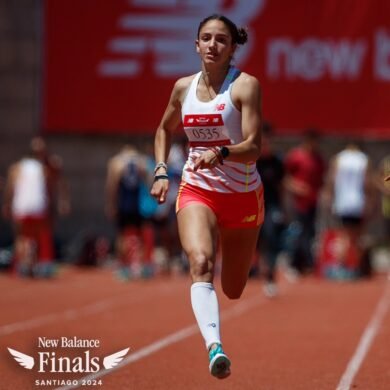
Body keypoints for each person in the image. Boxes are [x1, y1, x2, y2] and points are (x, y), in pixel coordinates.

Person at [150, 14, 264, 379]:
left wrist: (223, 152)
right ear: (196, 45)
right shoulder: (183, 88)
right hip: (197, 189)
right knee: (200, 262)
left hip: (243, 196)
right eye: (206, 38)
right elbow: (163, 130)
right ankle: (215, 348)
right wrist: (161, 170)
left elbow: (255, 146)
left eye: (221, 40)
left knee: (232, 289)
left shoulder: (245, 86)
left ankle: (220, 321)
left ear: (233, 48)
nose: (212, 45)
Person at [2, 138, 69, 277]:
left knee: (24, 238)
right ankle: (32, 264)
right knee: (33, 237)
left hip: (22, 207)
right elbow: (56, 184)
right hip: (35, 206)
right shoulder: (44, 168)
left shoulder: (18, 167)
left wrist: (7, 204)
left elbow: (10, 187)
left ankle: (26, 264)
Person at [321, 143, 374, 279]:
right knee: (357, 237)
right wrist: (370, 201)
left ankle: (341, 265)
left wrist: (328, 195)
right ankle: (358, 266)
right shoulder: (364, 159)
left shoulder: (338, 159)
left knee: (343, 236)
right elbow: (367, 182)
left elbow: (331, 179)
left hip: (342, 202)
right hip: (358, 202)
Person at [105, 144, 155, 280]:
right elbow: (150, 180)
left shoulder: (116, 162)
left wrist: (111, 204)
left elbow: (112, 184)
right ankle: (143, 265)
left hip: (124, 203)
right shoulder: (142, 161)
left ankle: (124, 266)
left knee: (122, 235)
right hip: (138, 204)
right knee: (140, 235)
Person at [283, 128, 325, 275]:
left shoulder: (318, 159)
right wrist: (296, 187)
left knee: (310, 232)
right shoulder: (296, 156)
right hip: (298, 202)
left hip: (313, 201)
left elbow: (321, 180)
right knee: (299, 232)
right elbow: (285, 177)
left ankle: (304, 263)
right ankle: (297, 263)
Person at [256, 122, 286, 297]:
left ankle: (270, 275)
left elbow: (281, 185)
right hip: (253, 204)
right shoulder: (251, 160)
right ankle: (259, 268)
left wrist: (282, 208)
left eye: (268, 138)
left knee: (272, 237)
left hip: (272, 205)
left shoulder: (276, 161)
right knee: (257, 241)